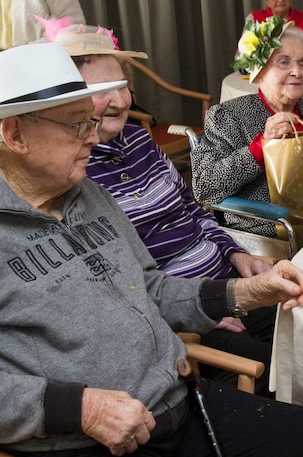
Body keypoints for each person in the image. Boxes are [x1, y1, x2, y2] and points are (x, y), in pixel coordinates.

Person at [0, 42, 303, 457]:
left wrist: (245, 291)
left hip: (170, 402)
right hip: (76, 444)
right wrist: (82, 409)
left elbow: (149, 286)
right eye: (78, 124)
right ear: (15, 134)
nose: (94, 138)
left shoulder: (87, 195)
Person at [40, 23, 279, 397]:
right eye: (101, 92)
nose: (119, 101)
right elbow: (118, 286)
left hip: (228, 281)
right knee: (279, 370)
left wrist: (235, 254)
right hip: (188, 315)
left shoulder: (140, 141)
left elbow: (193, 209)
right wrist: (195, 316)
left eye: (121, 86)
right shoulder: (71, 175)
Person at [192, 17, 303, 237]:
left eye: (302, 63)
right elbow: (205, 187)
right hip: (267, 233)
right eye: (284, 62)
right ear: (260, 71)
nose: (297, 72)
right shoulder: (229, 117)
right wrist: (260, 149)